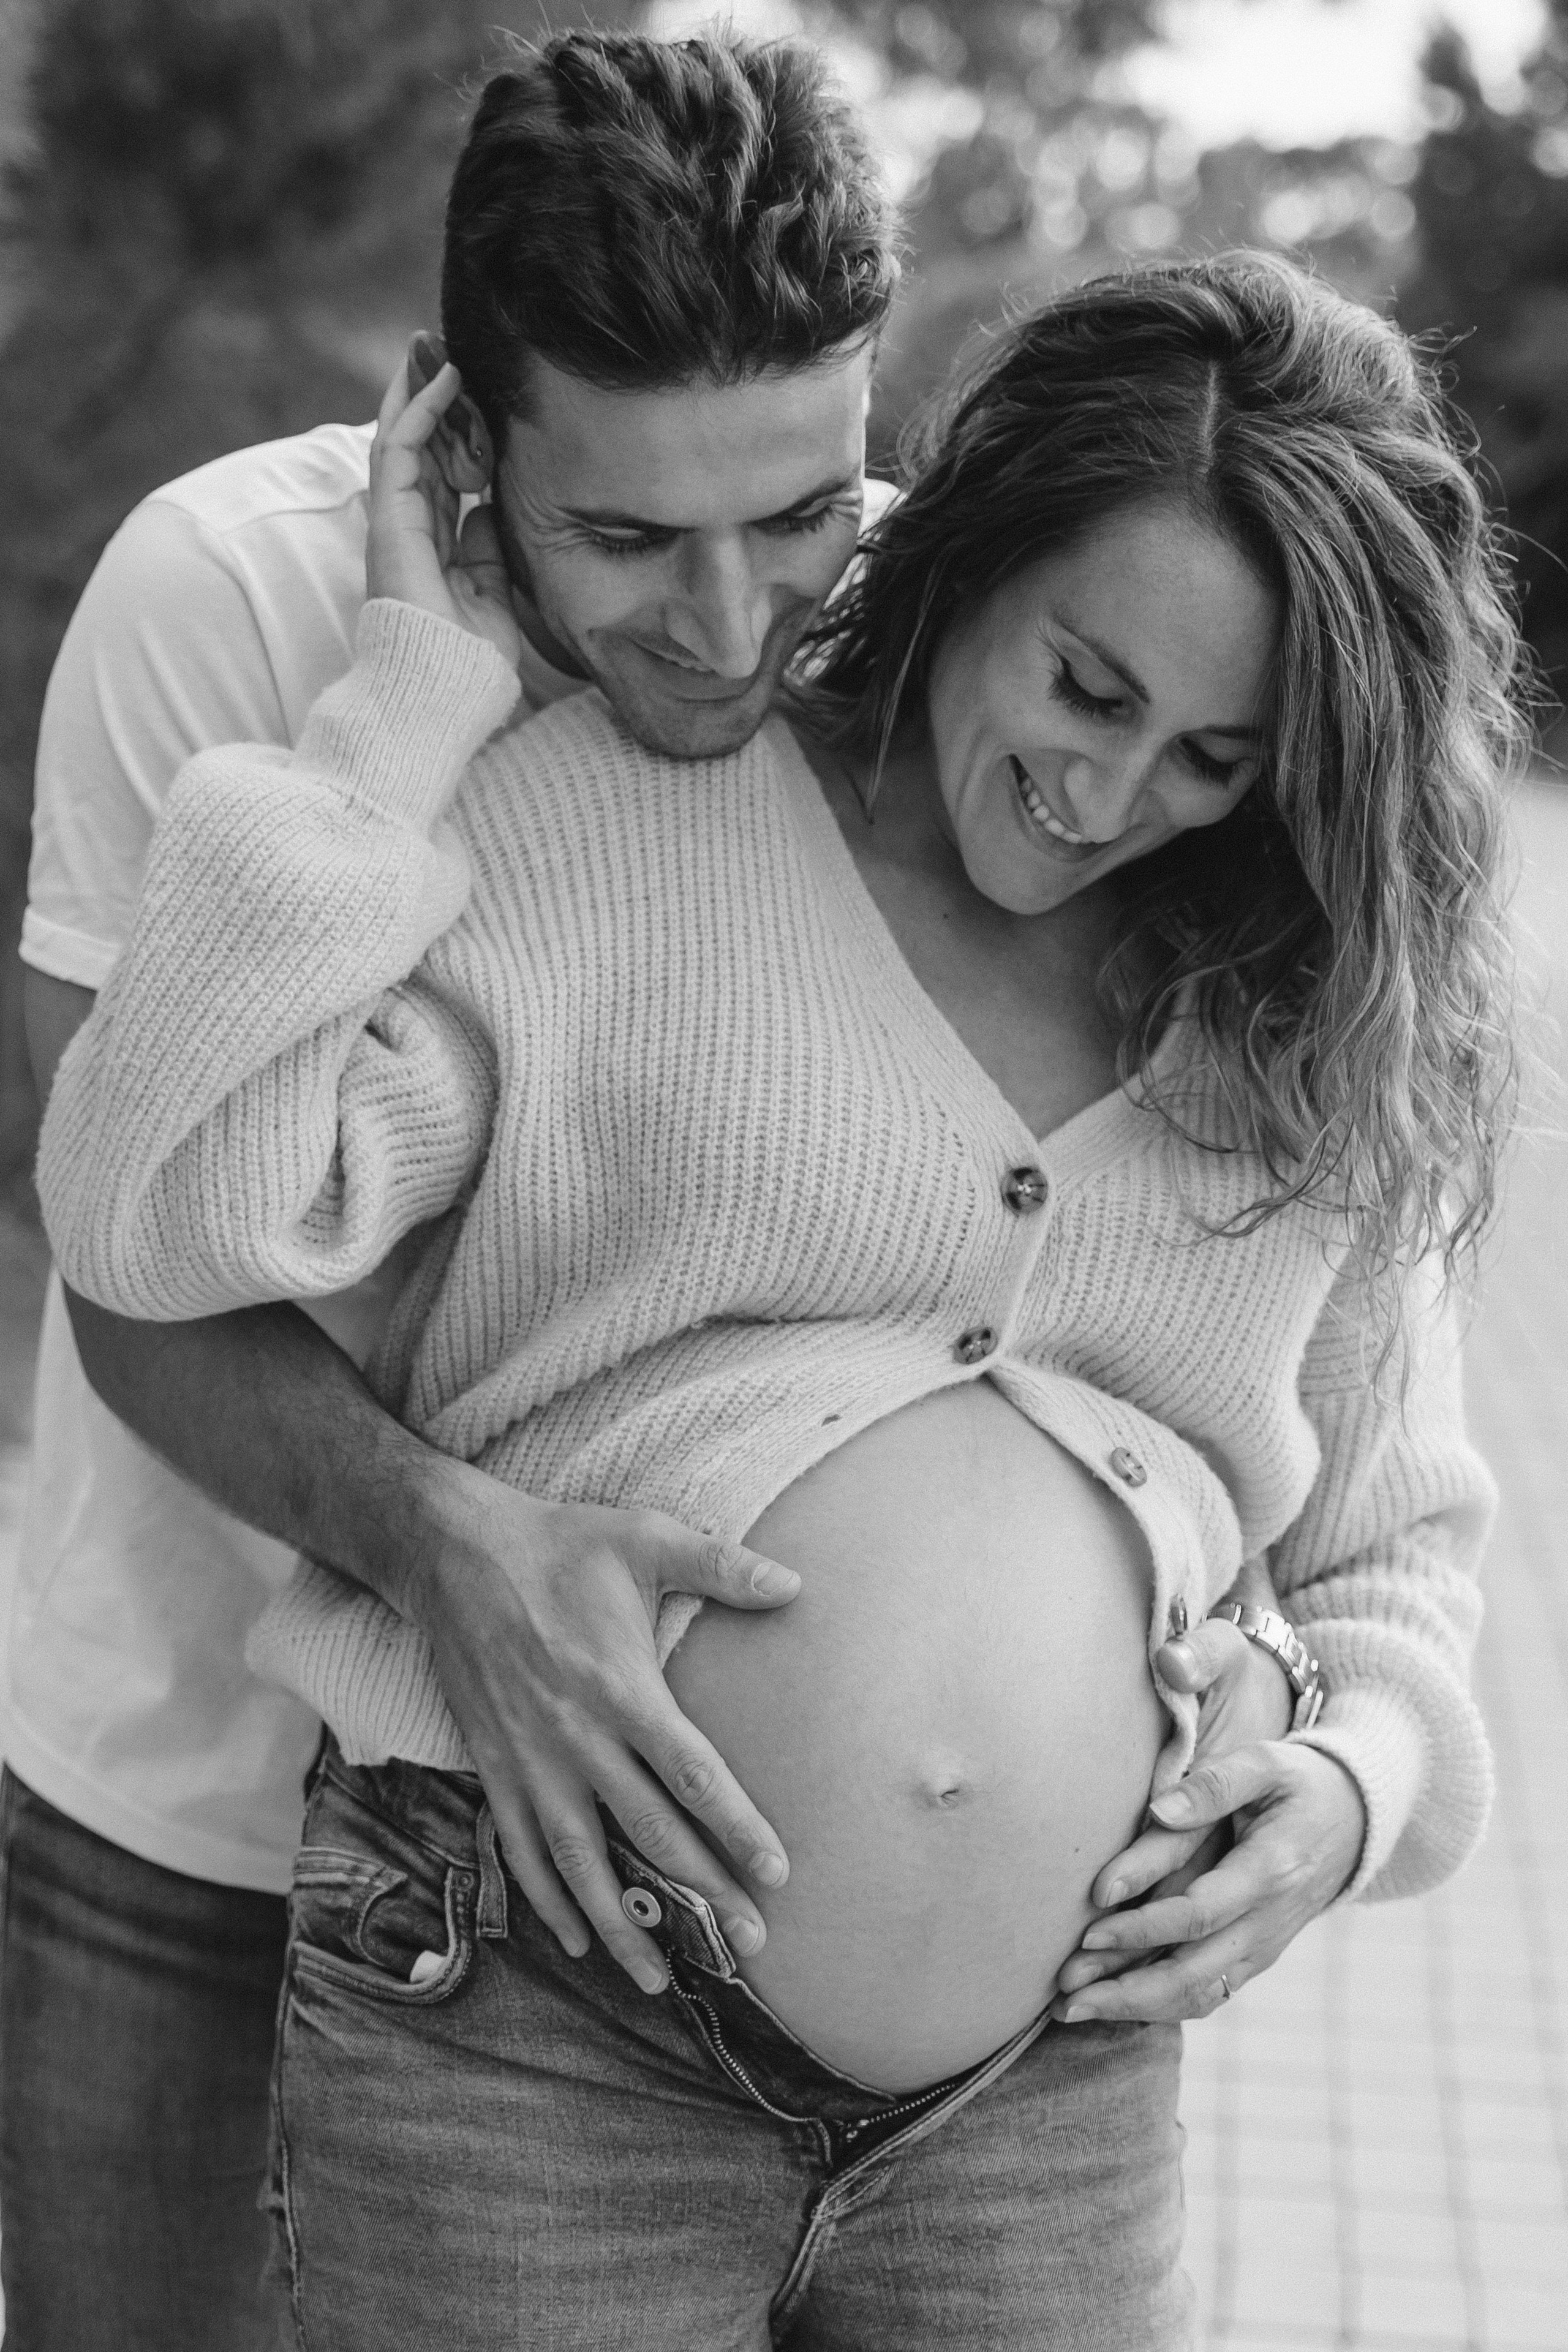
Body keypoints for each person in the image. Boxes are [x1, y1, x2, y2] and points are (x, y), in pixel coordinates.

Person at [39, 246, 1514, 2346]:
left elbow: (1393, 1549)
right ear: (970, 545)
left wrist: (1356, 1782)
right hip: (541, 2041)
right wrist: (394, 720)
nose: (1109, 799)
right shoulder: (612, 838)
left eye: (1215, 757)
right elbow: (158, 1216)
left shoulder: (1295, 1018)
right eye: (1087, 686)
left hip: (1053, 2105)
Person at [2, 31, 908, 2348]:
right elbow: (125, 1266)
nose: (735, 630)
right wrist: (449, 1549)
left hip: (640, 1941)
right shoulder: (220, 594)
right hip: (186, 1829)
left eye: (801, 508)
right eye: (626, 537)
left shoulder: (901, 641)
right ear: (457, 429)